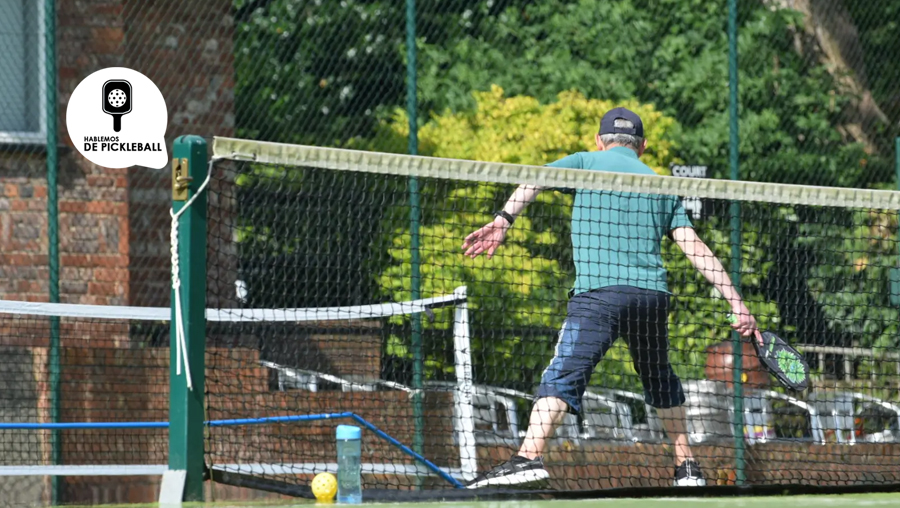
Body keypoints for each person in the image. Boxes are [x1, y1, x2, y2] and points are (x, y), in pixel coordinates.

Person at [461, 107, 758, 489]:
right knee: (659, 378)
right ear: (643, 146)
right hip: (651, 298)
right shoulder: (660, 183)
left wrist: (503, 220)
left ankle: (528, 458)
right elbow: (694, 246)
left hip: (599, 295)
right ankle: (687, 470)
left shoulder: (587, 161)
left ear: (599, 141)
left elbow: (534, 179)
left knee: (563, 373)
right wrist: (738, 304)